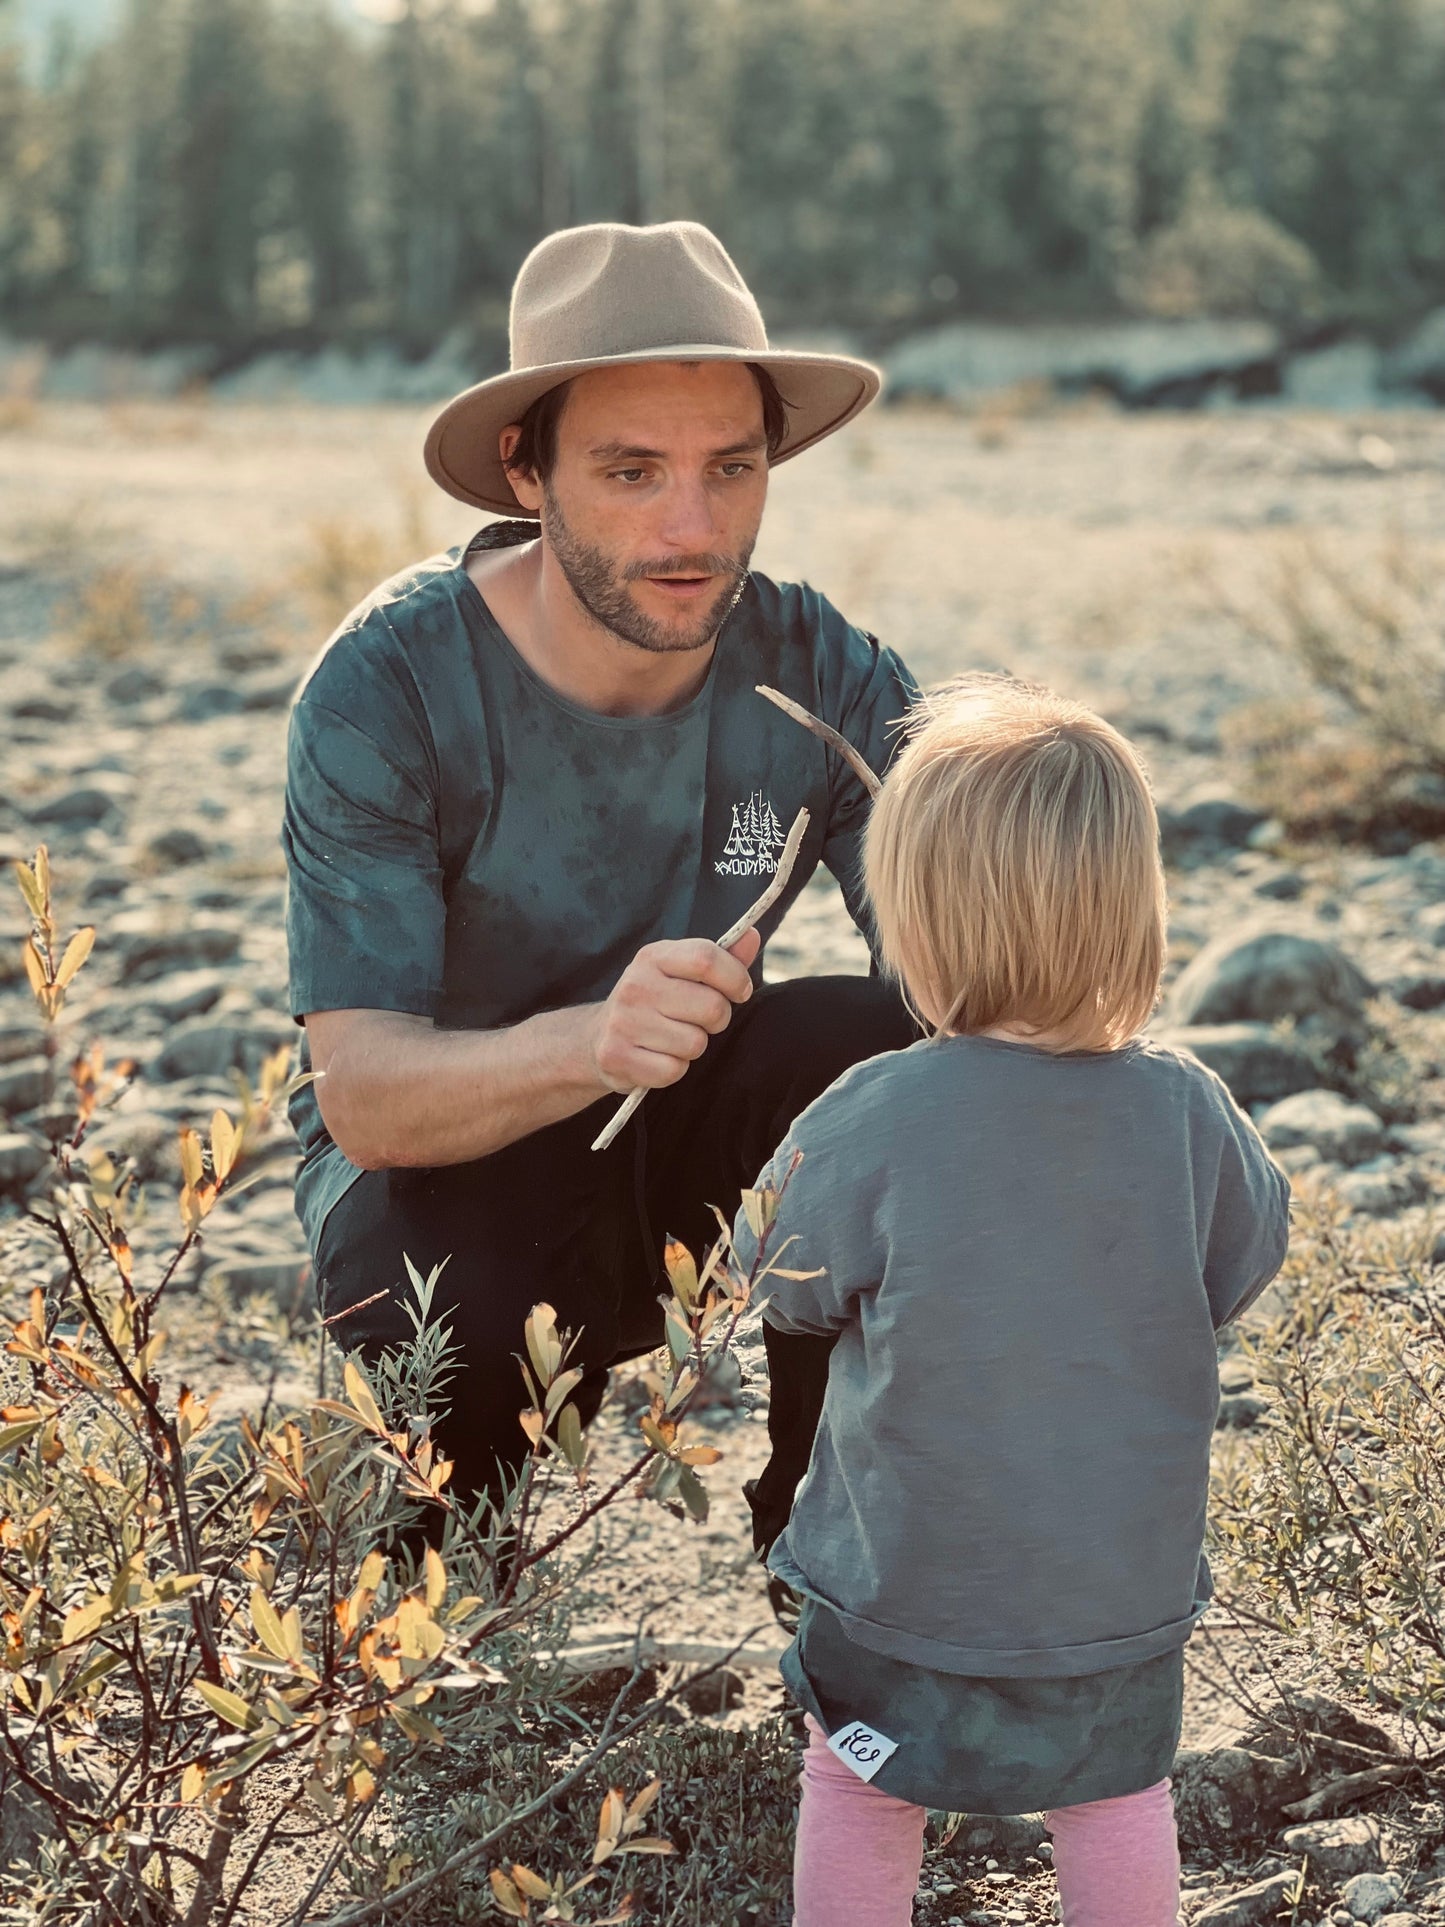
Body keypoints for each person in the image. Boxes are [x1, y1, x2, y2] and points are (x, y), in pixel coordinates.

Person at [281, 219, 919, 1512]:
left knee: (892, 1045)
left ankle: (835, 1548)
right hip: (432, 1200)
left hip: (679, 1153)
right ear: (526, 471)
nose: (693, 527)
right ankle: (442, 1558)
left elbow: (972, 966)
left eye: (730, 469)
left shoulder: (820, 675)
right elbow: (362, 1094)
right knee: (464, 1353)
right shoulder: (386, 689)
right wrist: (596, 1040)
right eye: (631, 472)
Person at [731, 676, 1292, 1927]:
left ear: (915, 924)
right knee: (1115, 1797)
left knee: (859, 1785)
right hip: (1116, 1593)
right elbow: (1241, 1262)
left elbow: (766, 1280)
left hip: (904, 1587)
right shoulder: (1185, 1110)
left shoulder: (874, 1110)